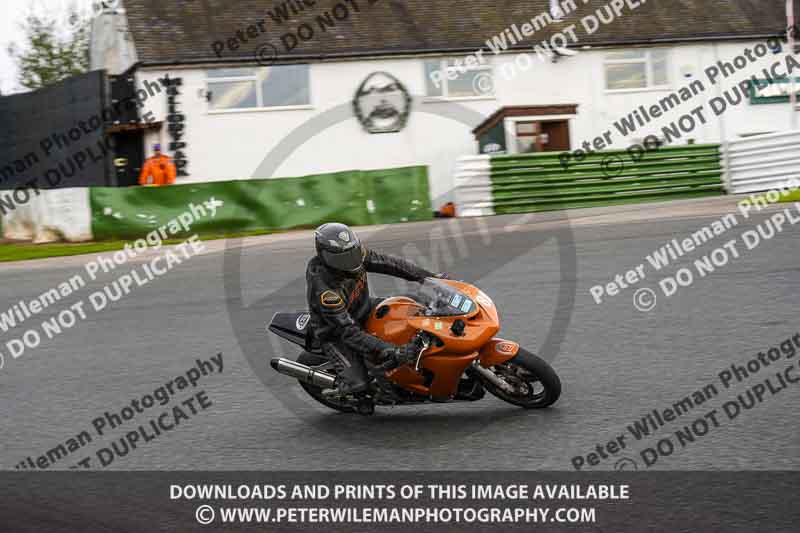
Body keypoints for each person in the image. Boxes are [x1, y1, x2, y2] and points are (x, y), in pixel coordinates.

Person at [307, 222, 442, 394]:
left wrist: (430, 278)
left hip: (363, 308)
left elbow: (390, 263)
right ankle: (346, 391)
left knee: (415, 306)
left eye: (352, 253)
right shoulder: (327, 292)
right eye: (342, 259)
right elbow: (349, 332)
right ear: (324, 256)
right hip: (336, 332)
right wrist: (391, 350)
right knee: (359, 386)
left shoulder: (356, 255)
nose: (350, 262)